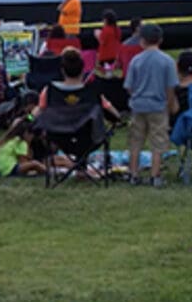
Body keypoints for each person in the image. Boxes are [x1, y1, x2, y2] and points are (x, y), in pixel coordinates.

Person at [124, 24, 178, 188]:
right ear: (160, 40)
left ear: (142, 41)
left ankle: (133, 174)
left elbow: (128, 85)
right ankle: (155, 175)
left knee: (135, 141)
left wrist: (135, 96)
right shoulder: (167, 61)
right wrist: (169, 103)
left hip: (138, 105)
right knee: (158, 142)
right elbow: (170, 86)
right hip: (158, 105)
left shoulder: (136, 60)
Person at [34, 47, 119, 119]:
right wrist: (120, 118)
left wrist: (27, 119)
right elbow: (109, 108)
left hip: (57, 134)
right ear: (82, 70)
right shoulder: (92, 91)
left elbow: (39, 110)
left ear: (62, 71)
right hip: (85, 135)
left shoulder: (49, 91)